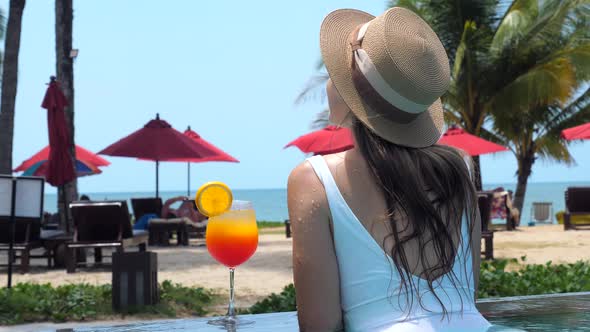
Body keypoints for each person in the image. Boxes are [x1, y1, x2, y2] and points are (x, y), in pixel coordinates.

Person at [288, 7, 491, 331]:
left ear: (346, 90)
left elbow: (319, 325)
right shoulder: (460, 168)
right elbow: (467, 300)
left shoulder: (314, 181)